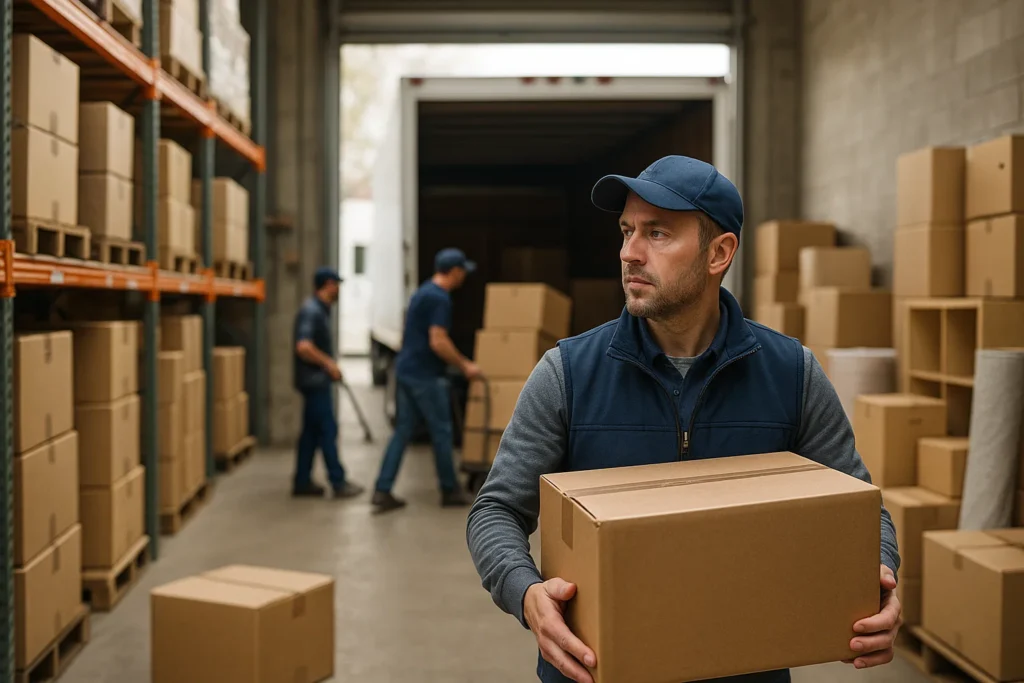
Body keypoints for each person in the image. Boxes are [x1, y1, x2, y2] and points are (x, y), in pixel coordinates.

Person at [466, 156, 902, 683]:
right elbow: (495, 510)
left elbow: (862, 508)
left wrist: (879, 580)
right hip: (599, 672)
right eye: (627, 231)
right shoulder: (568, 374)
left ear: (719, 253)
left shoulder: (791, 374)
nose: (630, 253)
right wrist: (526, 592)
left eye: (658, 233)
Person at [372, 248, 482, 512]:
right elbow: (438, 340)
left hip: (406, 371)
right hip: (425, 375)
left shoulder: (423, 291)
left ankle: (382, 489)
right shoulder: (439, 298)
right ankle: (449, 489)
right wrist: (465, 364)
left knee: (402, 431)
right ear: (454, 271)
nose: (464, 277)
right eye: (463, 271)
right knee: (442, 431)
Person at [292, 266, 364, 499]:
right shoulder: (312, 311)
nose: (339, 289)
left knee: (311, 435)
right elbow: (303, 346)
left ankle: (302, 482)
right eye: (337, 284)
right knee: (327, 430)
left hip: (313, 381)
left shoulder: (319, 310)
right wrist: (329, 364)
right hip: (315, 382)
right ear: (328, 285)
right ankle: (338, 482)